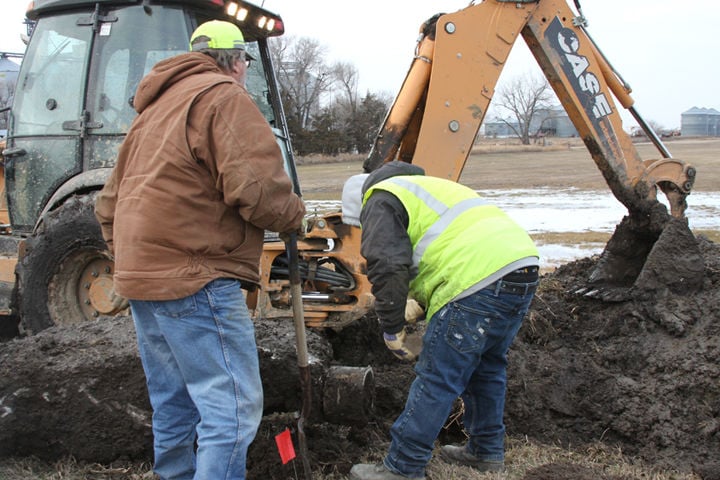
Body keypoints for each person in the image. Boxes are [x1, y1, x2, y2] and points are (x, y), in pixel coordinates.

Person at [94, 20, 305, 480]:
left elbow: (107, 204)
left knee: (172, 400)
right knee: (230, 407)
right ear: (234, 61)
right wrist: (294, 215)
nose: (245, 69)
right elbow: (257, 191)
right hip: (197, 277)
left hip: (144, 281)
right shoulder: (223, 97)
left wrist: (130, 259)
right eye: (245, 61)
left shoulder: (152, 113)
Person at [349, 161, 539, 480]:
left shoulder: (380, 196)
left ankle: (404, 467)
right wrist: (419, 301)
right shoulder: (431, 190)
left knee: (438, 375)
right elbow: (441, 251)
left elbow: (387, 263)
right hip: (521, 267)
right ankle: (486, 451)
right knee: (488, 366)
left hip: (475, 277)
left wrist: (393, 326)